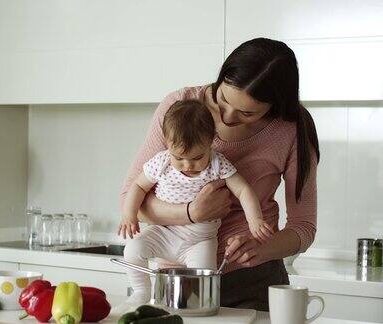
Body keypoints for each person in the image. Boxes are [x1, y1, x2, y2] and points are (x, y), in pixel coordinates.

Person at [120, 38, 320, 311]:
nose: (226, 117)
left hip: (253, 283)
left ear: (275, 105)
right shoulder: (180, 105)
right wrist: (192, 213)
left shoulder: (292, 130)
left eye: (247, 112)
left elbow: (304, 227)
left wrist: (262, 247)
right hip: (174, 281)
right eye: (222, 98)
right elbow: (131, 198)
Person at [118, 99, 274, 304]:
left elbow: (243, 190)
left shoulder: (218, 163)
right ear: (167, 144)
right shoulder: (161, 162)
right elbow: (137, 187)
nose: (188, 165)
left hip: (200, 242)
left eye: (197, 157)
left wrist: (255, 220)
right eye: (179, 157)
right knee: (132, 249)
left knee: (201, 290)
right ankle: (141, 291)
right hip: (164, 233)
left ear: (211, 141)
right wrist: (129, 215)